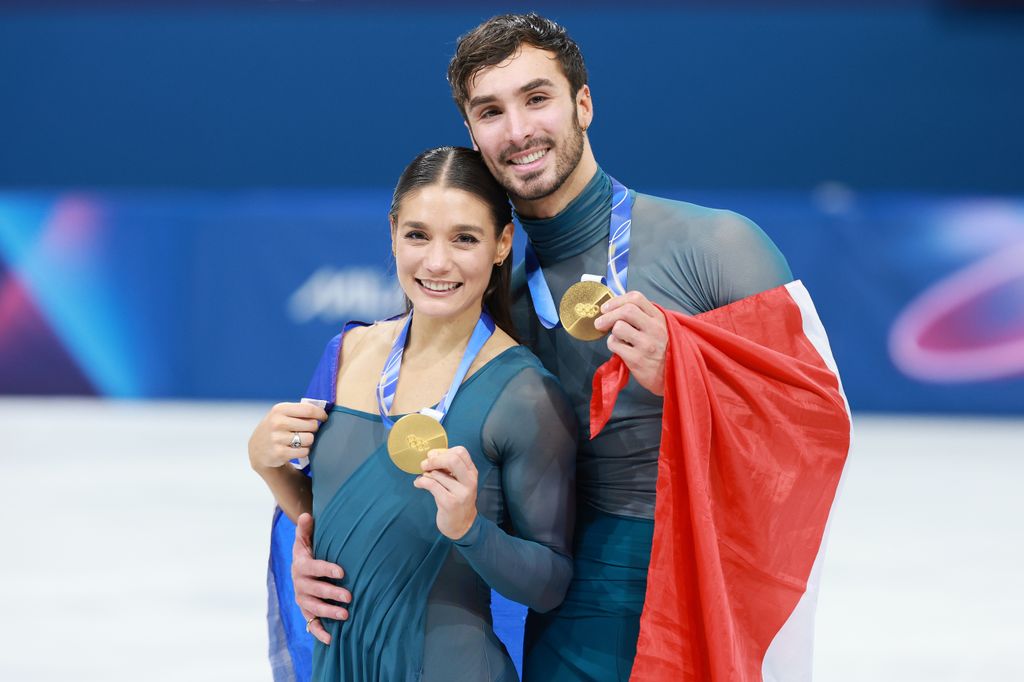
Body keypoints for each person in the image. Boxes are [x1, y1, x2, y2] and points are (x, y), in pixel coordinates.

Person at [283, 14, 851, 682]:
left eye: (537, 98)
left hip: (696, 597)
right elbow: (402, 452)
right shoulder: (495, 311)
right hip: (562, 626)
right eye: (491, 111)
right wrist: (320, 549)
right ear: (472, 133)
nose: (518, 130)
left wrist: (689, 376)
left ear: (583, 103)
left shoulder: (718, 247)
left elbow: (819, 426)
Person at [249, 146, 577, 681]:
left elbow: (551, 583)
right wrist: (268, 465)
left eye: (464, 238)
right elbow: (334, 515)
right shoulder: (347, 353)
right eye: (418, 235)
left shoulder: (525, 394)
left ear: (502, 244)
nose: (437, 262)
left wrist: (470, 528)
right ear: (393, 232)